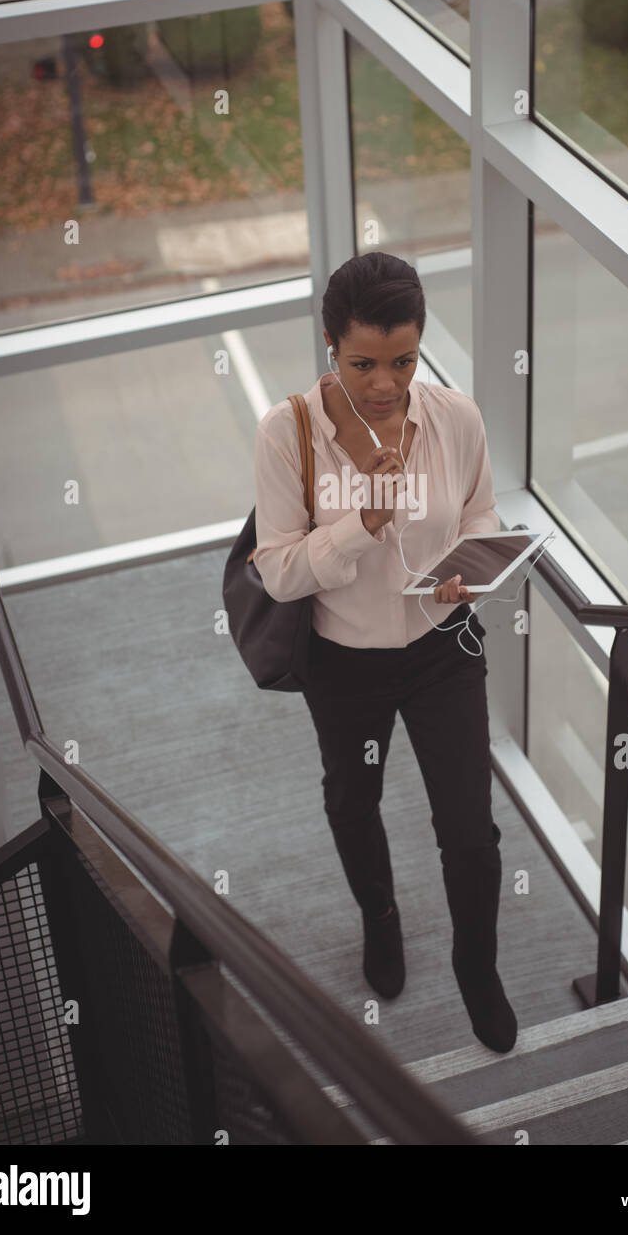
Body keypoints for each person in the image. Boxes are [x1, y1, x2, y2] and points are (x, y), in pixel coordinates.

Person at [252, 252, 517, 1053]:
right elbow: (277, 571)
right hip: (345, 661)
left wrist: (463, 576)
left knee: (470, 830)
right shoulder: (286, 434)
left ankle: (478, 963)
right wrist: (362, 522)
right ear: (329, 343)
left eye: (402, 360)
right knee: (351, 802)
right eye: (363, 362)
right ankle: (382, 917)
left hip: (443, 649)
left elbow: (478, 514)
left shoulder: (456, 418)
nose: (385, 383)